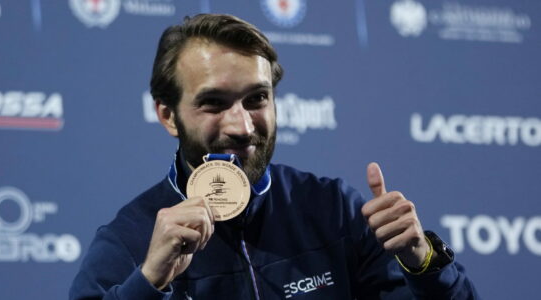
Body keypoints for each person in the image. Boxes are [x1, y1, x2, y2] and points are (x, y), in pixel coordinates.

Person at [70, 14, 479, 299]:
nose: (242, 126)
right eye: (213, 103)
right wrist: (149, 283)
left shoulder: (332, 208)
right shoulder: (128, 241)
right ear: (167, 115)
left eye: (256, 99)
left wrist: (424, 265)